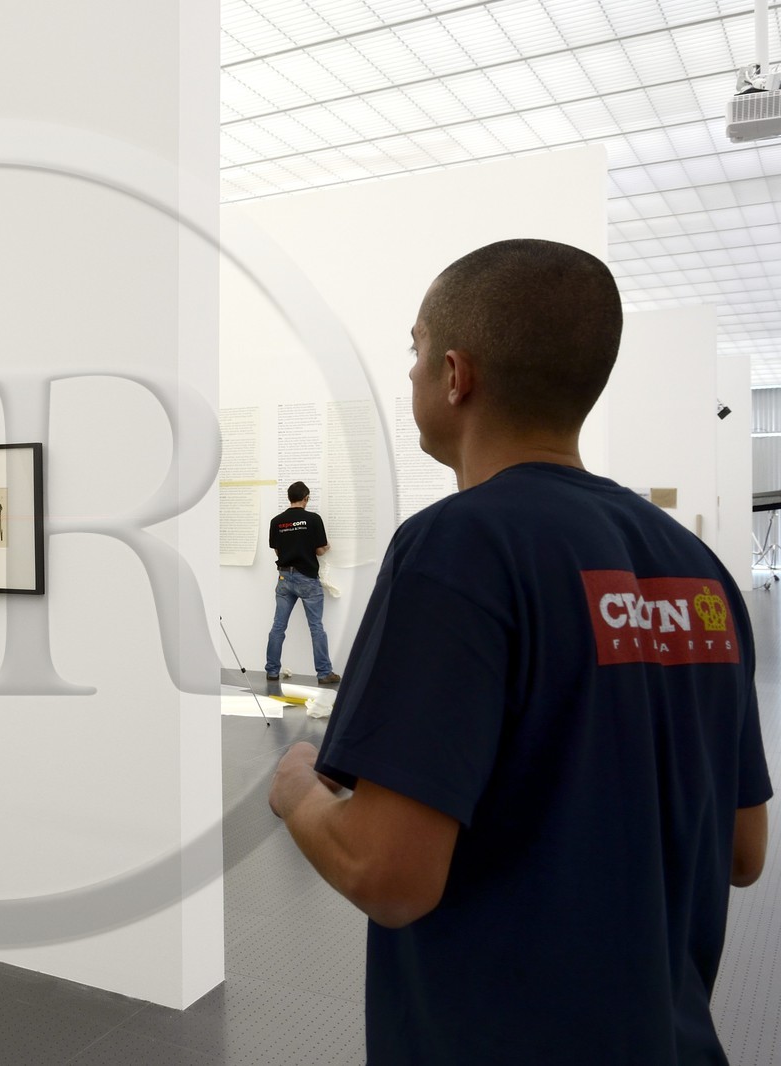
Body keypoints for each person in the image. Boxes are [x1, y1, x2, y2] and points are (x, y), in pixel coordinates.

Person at [268, 240, 772, 1064]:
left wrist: (296, 792)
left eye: (416, 350)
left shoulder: (455, 547)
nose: (411, 371)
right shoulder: (697, 568)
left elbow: (388, 873)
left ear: (454, 376)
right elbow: (745, 853)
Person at [264, 481, 339, 684]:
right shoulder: (313, 519)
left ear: (289, 498)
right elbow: (320, 550)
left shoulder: (277, 521)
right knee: (316, 627)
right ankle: (324, 673)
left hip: (284, 578)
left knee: (278, 626)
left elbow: (277, 551)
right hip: (307, 578)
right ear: (306, 498)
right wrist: (327, 547)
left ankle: (272, 671)